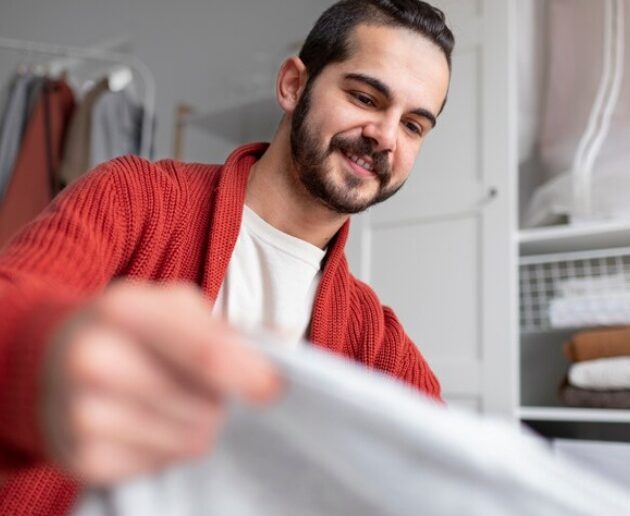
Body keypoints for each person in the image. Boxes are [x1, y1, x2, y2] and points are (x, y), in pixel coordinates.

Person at [0, 0, 453, 513]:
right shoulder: (134, 198)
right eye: (365, 96)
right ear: (292, 85)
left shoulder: (380, 346)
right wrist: (51, 356)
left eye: (414, 126)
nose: (385, 136)